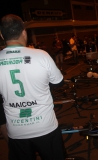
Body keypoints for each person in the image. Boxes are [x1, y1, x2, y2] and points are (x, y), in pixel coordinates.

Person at [0, 14, 65, 159]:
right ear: (24, 32)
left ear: (1, 35)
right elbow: (58, 82)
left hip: (16, 132)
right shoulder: (41, 55)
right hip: (45, 127)